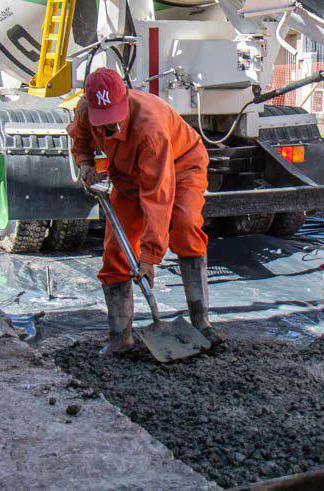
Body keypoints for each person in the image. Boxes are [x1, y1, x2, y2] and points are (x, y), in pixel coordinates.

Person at [67, 67, 221, 355]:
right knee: (116, 250)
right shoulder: (86, 110)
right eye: (103, 120)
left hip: (181, 164)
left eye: (114, 118)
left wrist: (149, 259)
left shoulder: (150, 129)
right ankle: (120, 338)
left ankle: (201, 323)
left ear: (125, 99)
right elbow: (81, 139)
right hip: (127, 176)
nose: (110, 126)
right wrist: (85, 164)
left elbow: (157, 197)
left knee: (186, 225)